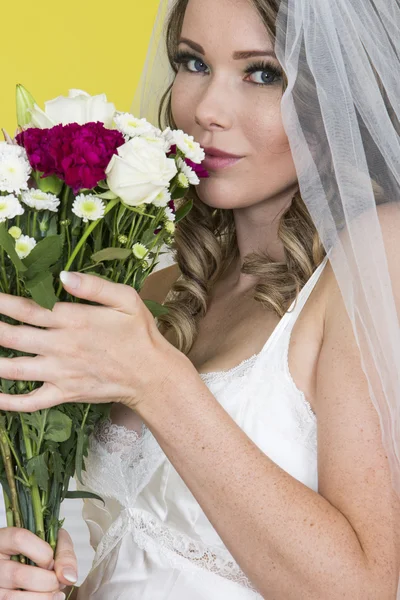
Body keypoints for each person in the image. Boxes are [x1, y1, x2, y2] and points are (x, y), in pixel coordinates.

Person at [1, 0, 400, 598]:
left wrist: (160, 384)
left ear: (339, 92)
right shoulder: (160, 289)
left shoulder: (377, 258)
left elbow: (371, 587)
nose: (205, 110)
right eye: (192, 62)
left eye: (263, 73)